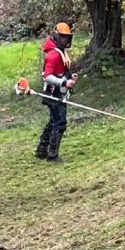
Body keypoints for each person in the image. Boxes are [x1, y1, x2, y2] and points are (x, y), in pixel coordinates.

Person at [35, 22, 78, 161]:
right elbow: (47, 76)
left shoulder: (61, 52)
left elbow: (62, 71)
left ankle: (42, 150)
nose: (66, 40)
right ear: (56, 36)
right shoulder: (53, 55)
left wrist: (70, 77)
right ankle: (52, 155)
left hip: (60, 93)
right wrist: (64, 83)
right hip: (53, 95)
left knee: (53, 121)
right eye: (63, 37)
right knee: (60, 124)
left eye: (68, 37)